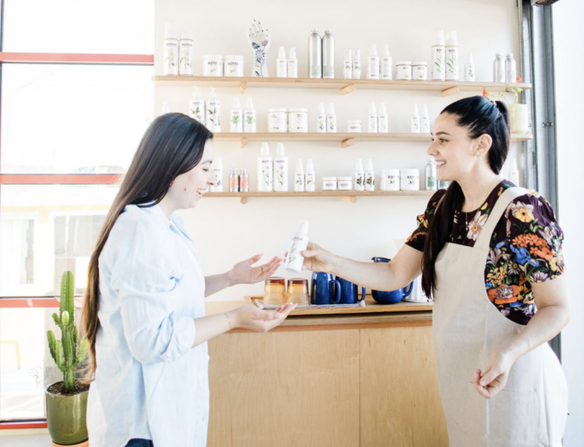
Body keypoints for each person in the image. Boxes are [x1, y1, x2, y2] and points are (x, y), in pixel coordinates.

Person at [303, 95, 569, 447]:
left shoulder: (522, 211)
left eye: (443, 139)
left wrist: (509, 353)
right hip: (463, 382)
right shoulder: (443, 207)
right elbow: (395, 275)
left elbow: (557, 308)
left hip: (517, 379)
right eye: (433, 138)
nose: (432, 149)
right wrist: (329, 261)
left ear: (481, 145)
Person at [81, 113, 295, 447]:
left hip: (163, 412)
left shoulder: (165, 224)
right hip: (141, 427)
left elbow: (170, 293)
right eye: (206, 168)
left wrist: (230, 278)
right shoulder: (141, 231)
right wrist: (233, 318)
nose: (212, 179)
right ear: (174, 164)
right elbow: (151, 341)